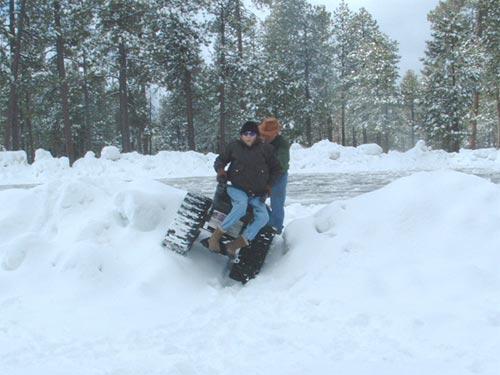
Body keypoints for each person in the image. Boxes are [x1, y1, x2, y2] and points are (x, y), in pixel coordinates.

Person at [208, 121, 282, 256]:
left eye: (252, 134)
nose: (248, 137)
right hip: (237, 188)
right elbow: (220, 160)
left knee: (264, 217)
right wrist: (220, 170)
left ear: (257, 135)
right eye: (245, 134)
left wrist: (269, 186)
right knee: (241, 206)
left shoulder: (266, 149)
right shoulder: (234, 146)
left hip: (256, 194)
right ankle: (216, 236)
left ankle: (235, 245)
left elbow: (277, 169)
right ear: (241, 135)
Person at [258, 117, 290, 235]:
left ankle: (275, 230)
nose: (265, 137)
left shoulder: (282, 144)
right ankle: (265, 224)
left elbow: (280, 165)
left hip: (279, 176)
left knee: (277, 203)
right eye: (263, 134)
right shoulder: (260, 141)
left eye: (268, 135)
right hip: (262, 174)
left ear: (276, 133)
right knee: (255, 200)